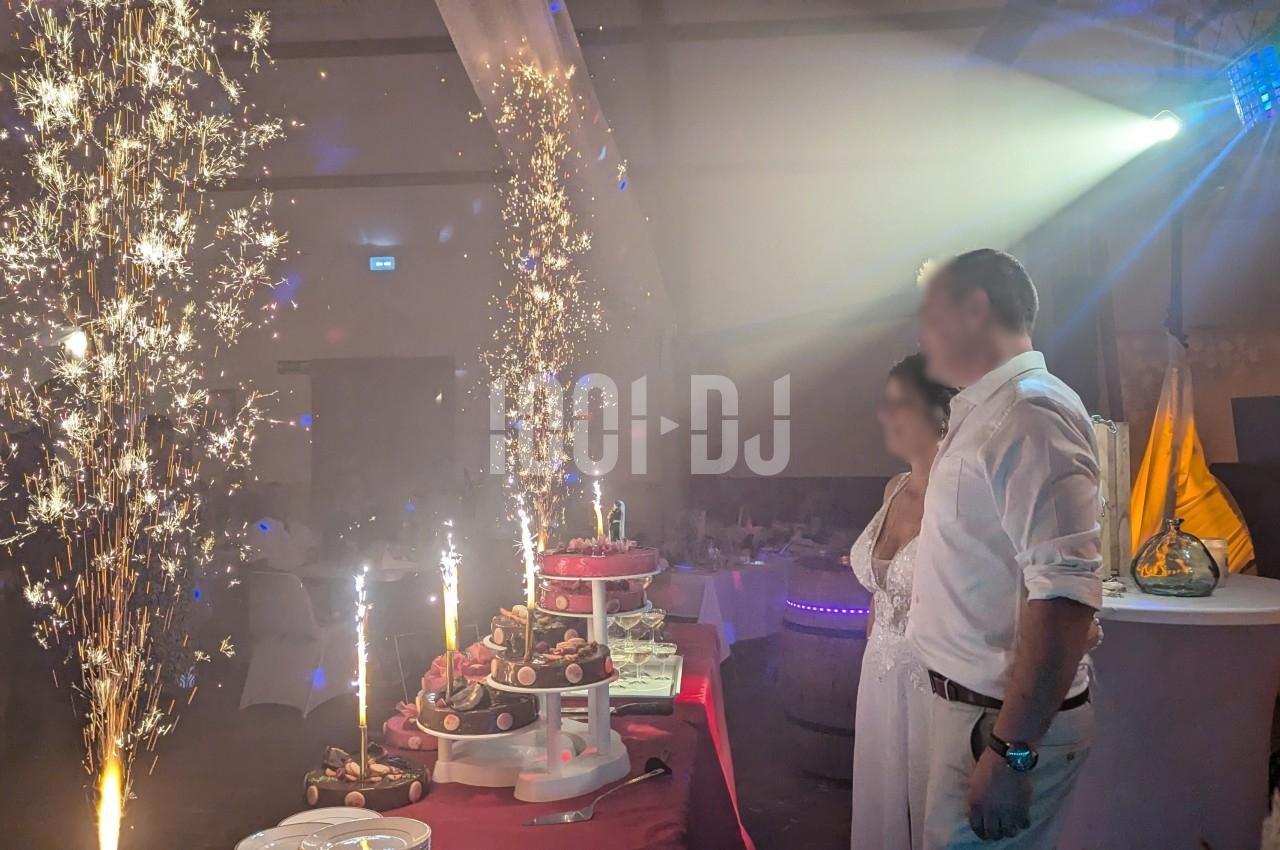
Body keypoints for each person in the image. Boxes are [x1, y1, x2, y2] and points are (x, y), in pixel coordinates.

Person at [909, 249, 1102, 848]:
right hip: (973, 718)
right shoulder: (992, 409)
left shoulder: (1030, 412)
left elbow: (1065, 594)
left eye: (930, 314)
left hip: (995, 726)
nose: (920, 334)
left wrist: (1013, 751)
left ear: (974, 310)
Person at [850, 353, 956, 850]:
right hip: (879, 672)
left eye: (899, 404)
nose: (884, 416)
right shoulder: (894, 488)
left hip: (932, 678)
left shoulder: (960, 494)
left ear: (940, 411)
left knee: (931, 807)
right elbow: (885, 586)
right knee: (881, 802)